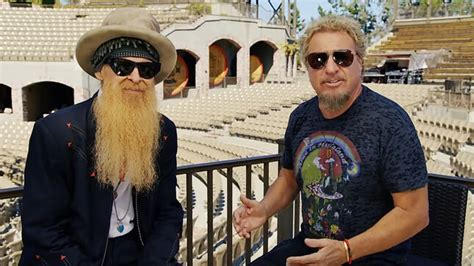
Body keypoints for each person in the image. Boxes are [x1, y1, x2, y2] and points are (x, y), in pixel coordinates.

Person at [233, 15, 429, 265]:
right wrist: (264, 208)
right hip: (311, 245)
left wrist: (347, 250)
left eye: (342, 57)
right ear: (309, 68)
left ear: (360, 61)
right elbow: (289, 178)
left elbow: (414, 213)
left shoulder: (390, 123)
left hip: (374, 255)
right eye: (318, 59)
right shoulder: (301, 117)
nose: (331, 68)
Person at [20, 8, 183, 265]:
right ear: (99, 71)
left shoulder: (163, 132)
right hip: (77, 256)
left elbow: (168, 212)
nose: (136, 78)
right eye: (122, 66)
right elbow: (43, 230)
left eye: (147, 69)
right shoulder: (54, 132)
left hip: (138, 253)